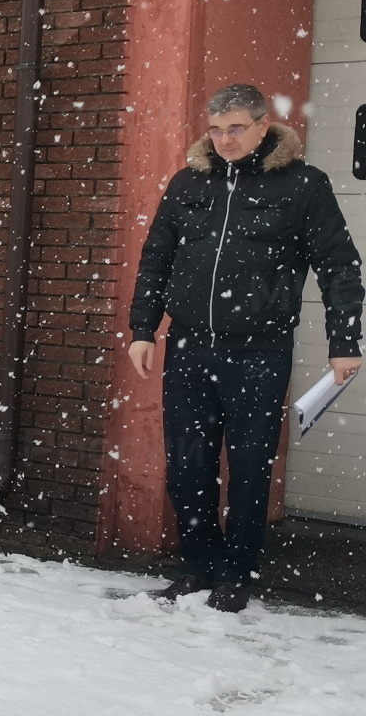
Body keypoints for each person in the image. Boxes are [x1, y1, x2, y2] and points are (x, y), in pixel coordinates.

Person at [127, 83, 362, 613]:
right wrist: (144, 328)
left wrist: (344, 341)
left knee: (250, 467)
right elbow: (156, 258)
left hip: (259, 351)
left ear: (263, 126)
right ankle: (196, 567)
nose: (225, 139)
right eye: (215, 129)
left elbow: (339, 266)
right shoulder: (190, 182)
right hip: (188, 347)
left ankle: (237, 574)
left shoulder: (302, 185)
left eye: (236, 128)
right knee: (188, 465)